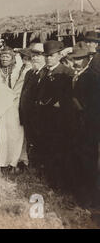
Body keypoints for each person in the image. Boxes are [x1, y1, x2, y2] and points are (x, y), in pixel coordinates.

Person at [34, 40, 74, 190]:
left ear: (58, 56)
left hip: (60, 121)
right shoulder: (44, 72)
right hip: (44, 119)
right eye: (46, 56)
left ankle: (60, 184)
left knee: (59, 151)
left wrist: (59, 104)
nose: (48, 58)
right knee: (46, 149)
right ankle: (49, 180)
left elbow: (70, 98)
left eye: (51, 56)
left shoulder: (67, 72)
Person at [0, 47, 30, 171]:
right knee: (0, 132)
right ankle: (0, 159)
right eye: (2, 56)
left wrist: (14, 97)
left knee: (15, 133)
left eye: (7, 56)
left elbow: (21, 87)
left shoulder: (19, 70)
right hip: (0, 105)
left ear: (12, 58)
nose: (4, 59)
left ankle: (15, 159)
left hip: (14, 105)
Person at [68, 46, 100, 206]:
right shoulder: (78, 75)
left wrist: (80, 110)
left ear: (88, 59)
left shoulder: (91, 77)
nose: (76, 62)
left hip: (88, 126)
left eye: (79, 59)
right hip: (77, 125)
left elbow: (94, 106)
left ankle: (91, 199)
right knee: (78, 160)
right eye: (74, 59)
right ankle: (81, 196)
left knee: (88, 162)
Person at [19, 43, 45, 170]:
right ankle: (32, 164)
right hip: (28, 115)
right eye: (34, 55)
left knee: (40, 141)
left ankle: (40, 167)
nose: (35, 58)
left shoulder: (46, 73)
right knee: (31, 140)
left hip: (40, 116)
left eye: (39, 55)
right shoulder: (30, 73)